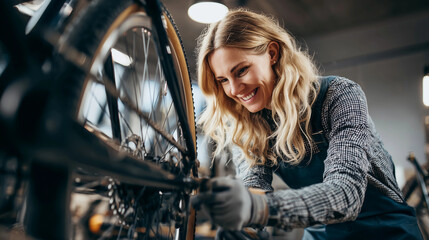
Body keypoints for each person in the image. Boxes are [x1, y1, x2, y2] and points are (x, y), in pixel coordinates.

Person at [191, 8, 423, 240]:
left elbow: (347, 195)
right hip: (321, 233)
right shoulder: (248, 125)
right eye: (222, 80)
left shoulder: (339, 96)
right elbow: (254, 188)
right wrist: (245, 227)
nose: (233, 89)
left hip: (385, 229)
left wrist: (259, 208)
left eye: (241, 70)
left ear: (272, 53)